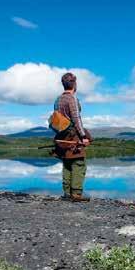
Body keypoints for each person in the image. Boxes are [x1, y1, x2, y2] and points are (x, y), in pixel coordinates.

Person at [52, 72, 93, 202]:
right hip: (73, 135)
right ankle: (76, 194)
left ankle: (66, 193)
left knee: (67, 163)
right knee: (78, 163)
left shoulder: (57, 100)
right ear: (74, 84)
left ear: (63, 84)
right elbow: (76, 119)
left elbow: (57, 120)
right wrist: (83, 136)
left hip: (61, 135)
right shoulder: (72, 99)